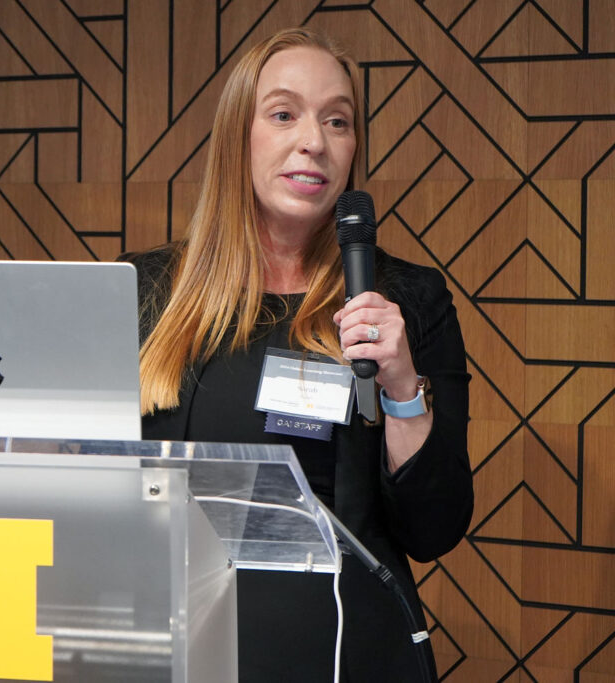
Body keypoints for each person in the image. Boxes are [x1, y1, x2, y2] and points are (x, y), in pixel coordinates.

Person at [120, 28, 473, 682]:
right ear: (237, 136)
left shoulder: (406, 300)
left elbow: (435, 528)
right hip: (176, 647)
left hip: (346, 651)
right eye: (284, 114)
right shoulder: (143, 293)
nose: (314, 139)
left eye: (337, 120)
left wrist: (401, 387)